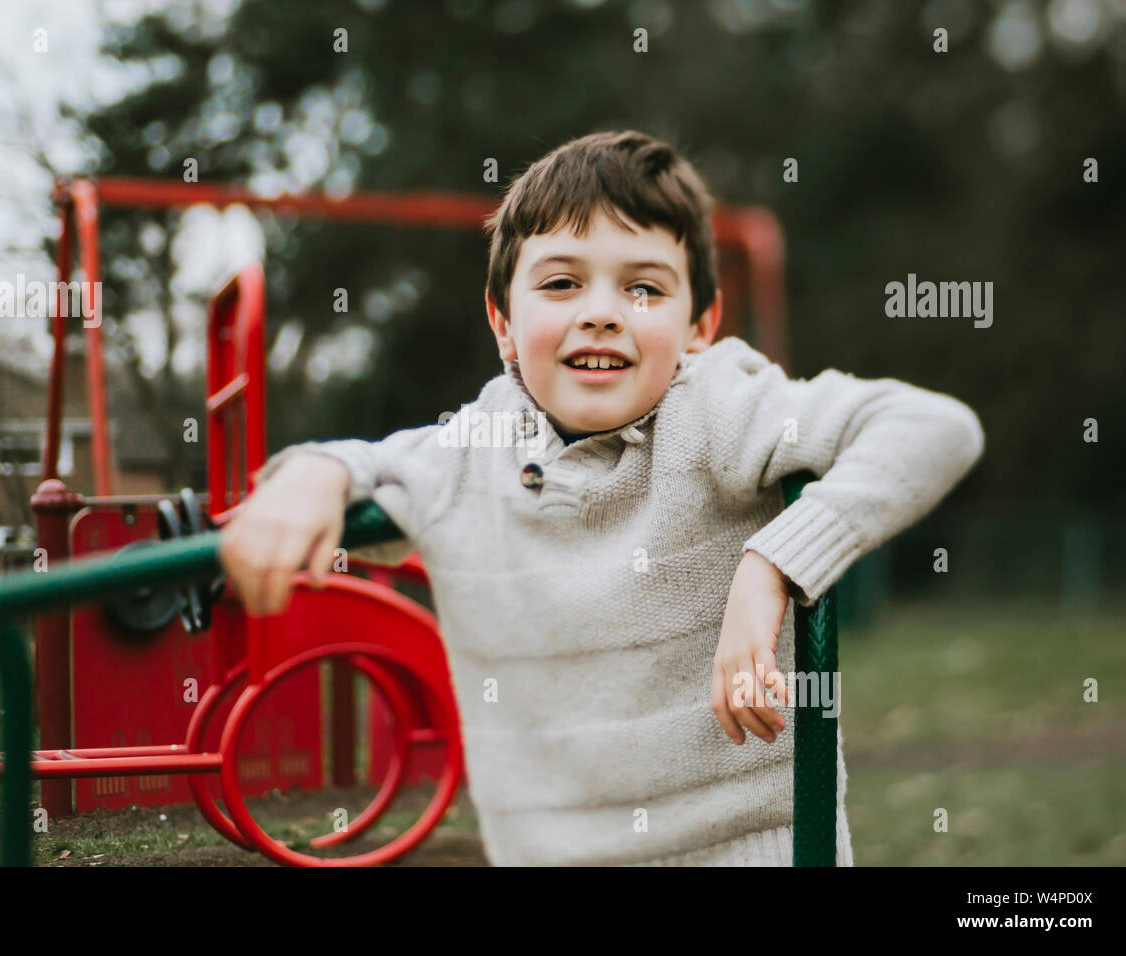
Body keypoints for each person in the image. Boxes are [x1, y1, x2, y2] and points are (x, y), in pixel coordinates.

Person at [218, 129, 985, 866]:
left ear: (698, 327)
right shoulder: (474, 449)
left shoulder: (720, 409)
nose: (602, 310)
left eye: (644, 287)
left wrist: (775, 562)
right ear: (503, 324)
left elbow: (934, 428)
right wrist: (310, 475)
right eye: (561, 283)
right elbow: (366, 465)